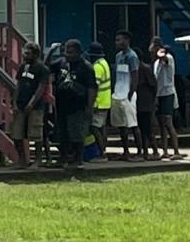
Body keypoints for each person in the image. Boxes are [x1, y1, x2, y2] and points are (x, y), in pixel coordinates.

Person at [51, 39, 97, 171]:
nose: (67, 55)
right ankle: (64, 158)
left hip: (78, 106)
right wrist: (51, 52)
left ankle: (78, 160)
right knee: (62, 134)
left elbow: (91, 88)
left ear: (78, 53)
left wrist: (90, 107)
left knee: (77, 134)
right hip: (62, 105)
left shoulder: (86, 67)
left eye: (70, 52)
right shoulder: (62, 63)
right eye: (65, 51)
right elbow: (47, 66)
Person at [8, 42, 48, 169]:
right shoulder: (23, 67)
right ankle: (22, 160)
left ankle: (37, 160)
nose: (25, 55)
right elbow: (18, 85)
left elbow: (41, 88)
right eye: (24, 52)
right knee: (17, 134)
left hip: (35, 107)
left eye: (28, 53)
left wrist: (31, 103)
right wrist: (14, 103)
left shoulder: (42, 69)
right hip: (20, 105)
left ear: (35, 54)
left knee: (36, 134)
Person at [112, 31, 143, 161]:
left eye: (119, 40)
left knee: (132, 124)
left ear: (127, 40)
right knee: (121, 125)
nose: (117, 42)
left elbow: (135, 75)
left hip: (127, 94)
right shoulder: (118, 56)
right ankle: (126, 152)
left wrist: (131, 92)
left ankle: (139, 152)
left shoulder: (132, 56)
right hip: (118, 93)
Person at [151, 38, 183, 160]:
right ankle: (164, 150)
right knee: (161, 124)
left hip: (167, 93)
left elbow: (163, 58)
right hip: (159, 95)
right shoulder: (155, 63)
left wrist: (161, 52)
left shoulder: (168, 58)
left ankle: (176, 151)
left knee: (168, 123)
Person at [88, 42, 113, 162]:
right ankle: (103, 151)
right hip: (105, 101)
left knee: (94, 128)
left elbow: (94, 87)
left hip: (98, 103)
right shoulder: (104, 63)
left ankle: (101, 154)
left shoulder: (97, 67)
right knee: (102, 128)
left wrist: (91, 105)